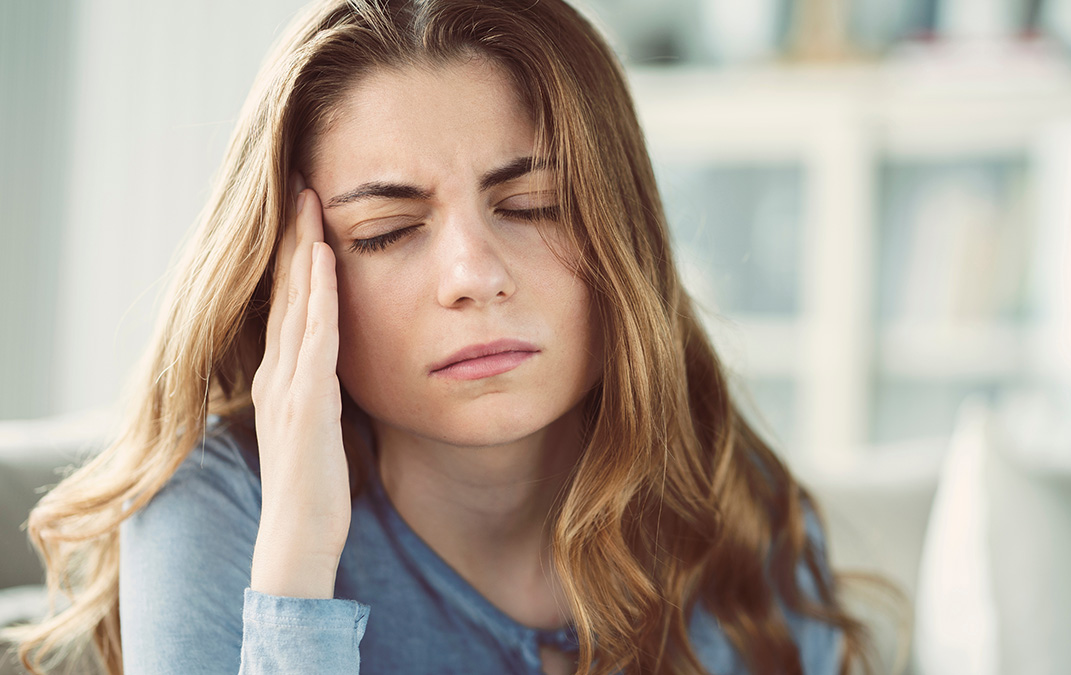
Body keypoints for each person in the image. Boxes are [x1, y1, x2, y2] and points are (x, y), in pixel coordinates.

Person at [9, 1, 875, 673]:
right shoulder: (217, 507)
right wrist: (298, 567)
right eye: (387, 229)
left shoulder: (734, 503)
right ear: (291, 278)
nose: (474, 273)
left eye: (534, 206)